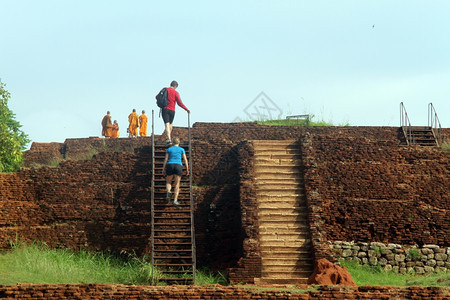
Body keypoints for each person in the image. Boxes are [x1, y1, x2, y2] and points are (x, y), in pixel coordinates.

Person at [156, 80, 190, 145]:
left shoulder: (165, 89)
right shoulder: (176, 93)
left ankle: (169, 139)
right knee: (170, 124)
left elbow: (157, 97)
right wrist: (186, 109)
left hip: (165, 109)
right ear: (175, 86)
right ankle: (168, 138)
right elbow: (179, 103)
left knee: (166, 124)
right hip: (172, 110)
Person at [162, 137, 189, 205]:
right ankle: (175, 200)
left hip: (170, 165)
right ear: (178, 142)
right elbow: (185, 160)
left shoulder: (169, 149)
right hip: (178, 166)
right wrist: (187, 169)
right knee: (177, 184)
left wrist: (163, 168)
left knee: (168, 182)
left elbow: (166, 159)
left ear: (173, 142)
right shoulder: (182, 149)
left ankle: (168, 191)